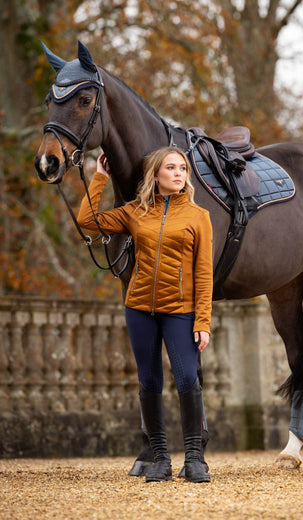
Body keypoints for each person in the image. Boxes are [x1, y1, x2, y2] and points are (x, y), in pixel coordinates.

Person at [77, 146, 213, 483]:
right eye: (171, 167)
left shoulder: (199, 217)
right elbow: (87, 221)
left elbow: (204, 274)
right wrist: (100, 178)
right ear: (156, 174)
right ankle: (161, 459)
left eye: (182, 168)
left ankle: (195, 459)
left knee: (187, 380)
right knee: (149, 382)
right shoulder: (134, 212)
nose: (179, 173)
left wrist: (203, 321)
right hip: (139, 309)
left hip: (180, 311)